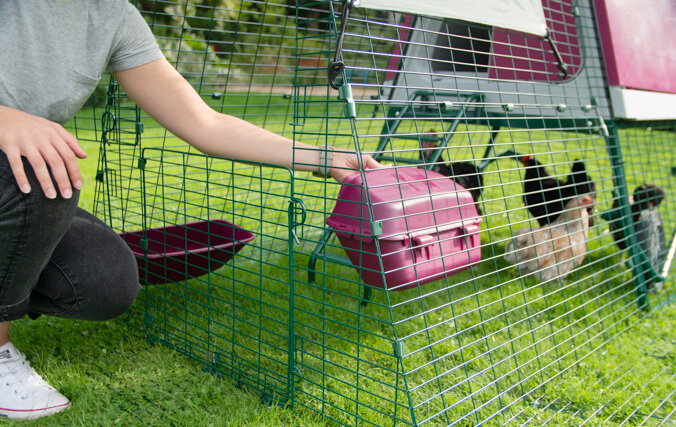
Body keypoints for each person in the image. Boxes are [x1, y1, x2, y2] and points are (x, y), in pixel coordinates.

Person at [0, 0, 381, 420]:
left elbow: (204, 123)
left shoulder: (113, 15)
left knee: (105, 279)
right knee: (39, 172)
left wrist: (320, 157)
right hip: (18, 177)